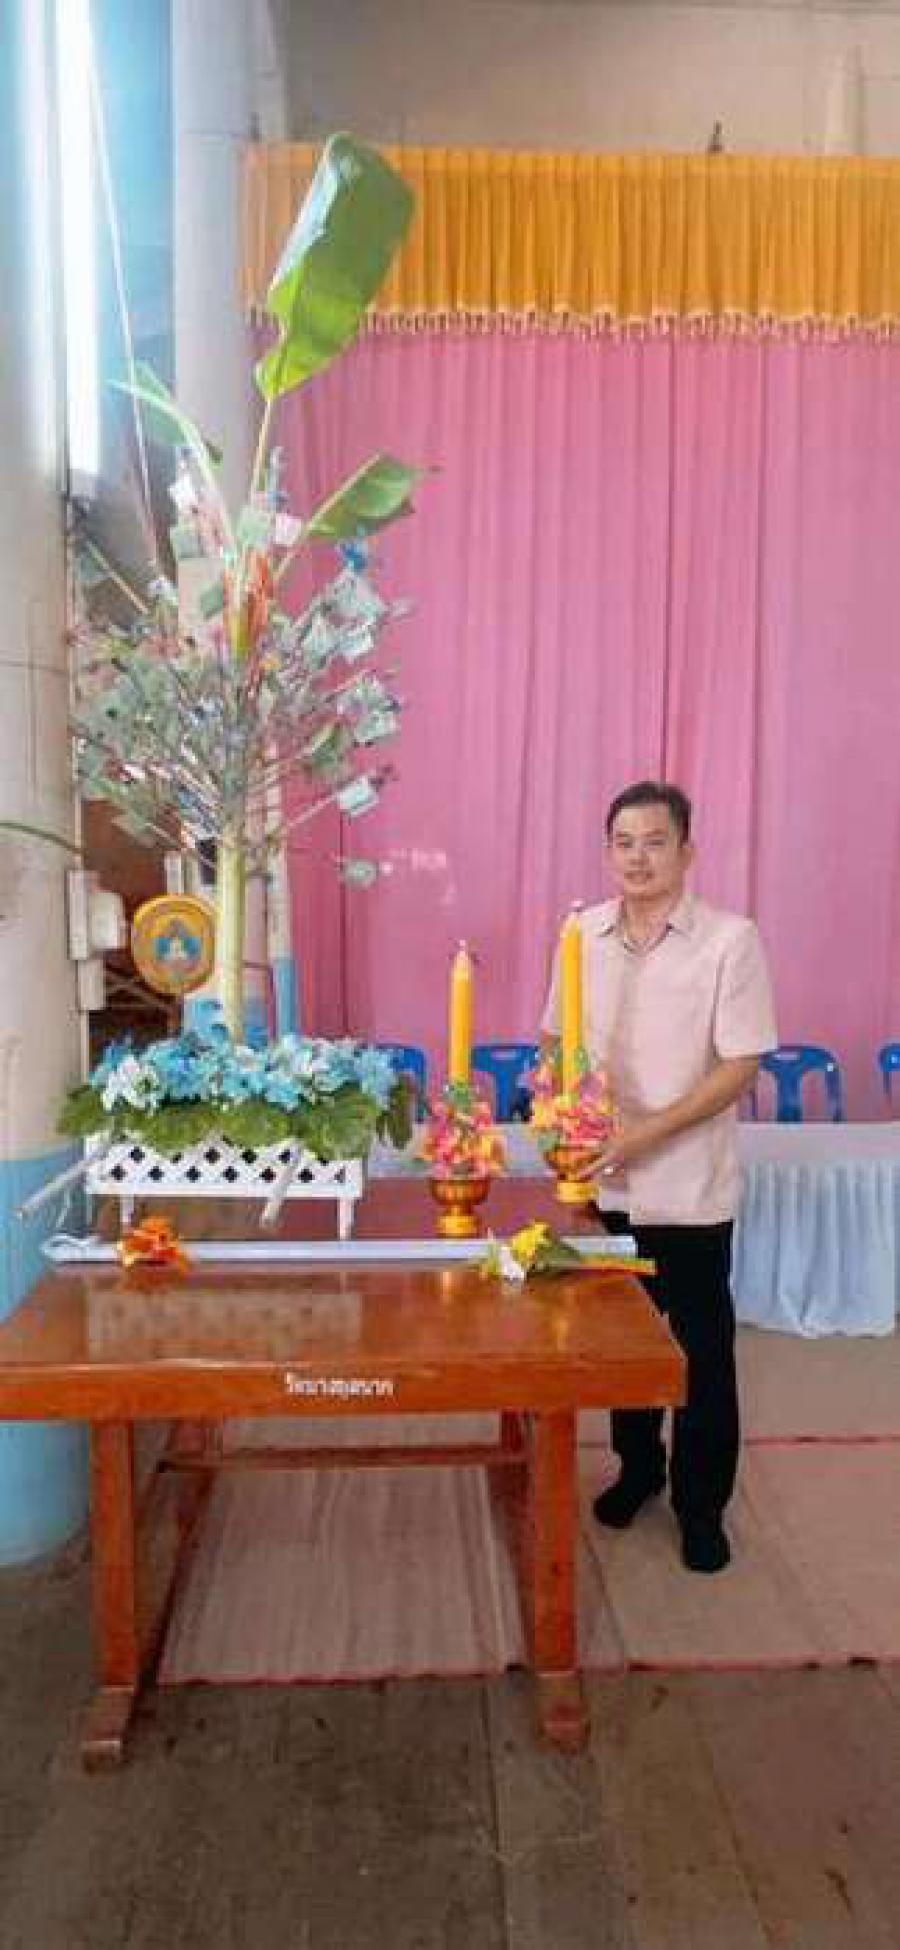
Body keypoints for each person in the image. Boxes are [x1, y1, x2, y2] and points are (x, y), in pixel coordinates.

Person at [541, 781, 777, 1574]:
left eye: (654, 842)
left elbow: (740, 1066)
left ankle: (700, 1506)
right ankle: (638, 1468)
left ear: (686, 850)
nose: (637, 858)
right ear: (607, 851)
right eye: (623, 842)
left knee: (701, 1354)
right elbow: (554, 1039)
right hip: (604, 1185)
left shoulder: (730, 940)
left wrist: (642, 1134)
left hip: (688, 1183)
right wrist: (557, 1108)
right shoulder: (581, 934)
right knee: (620, 1344)